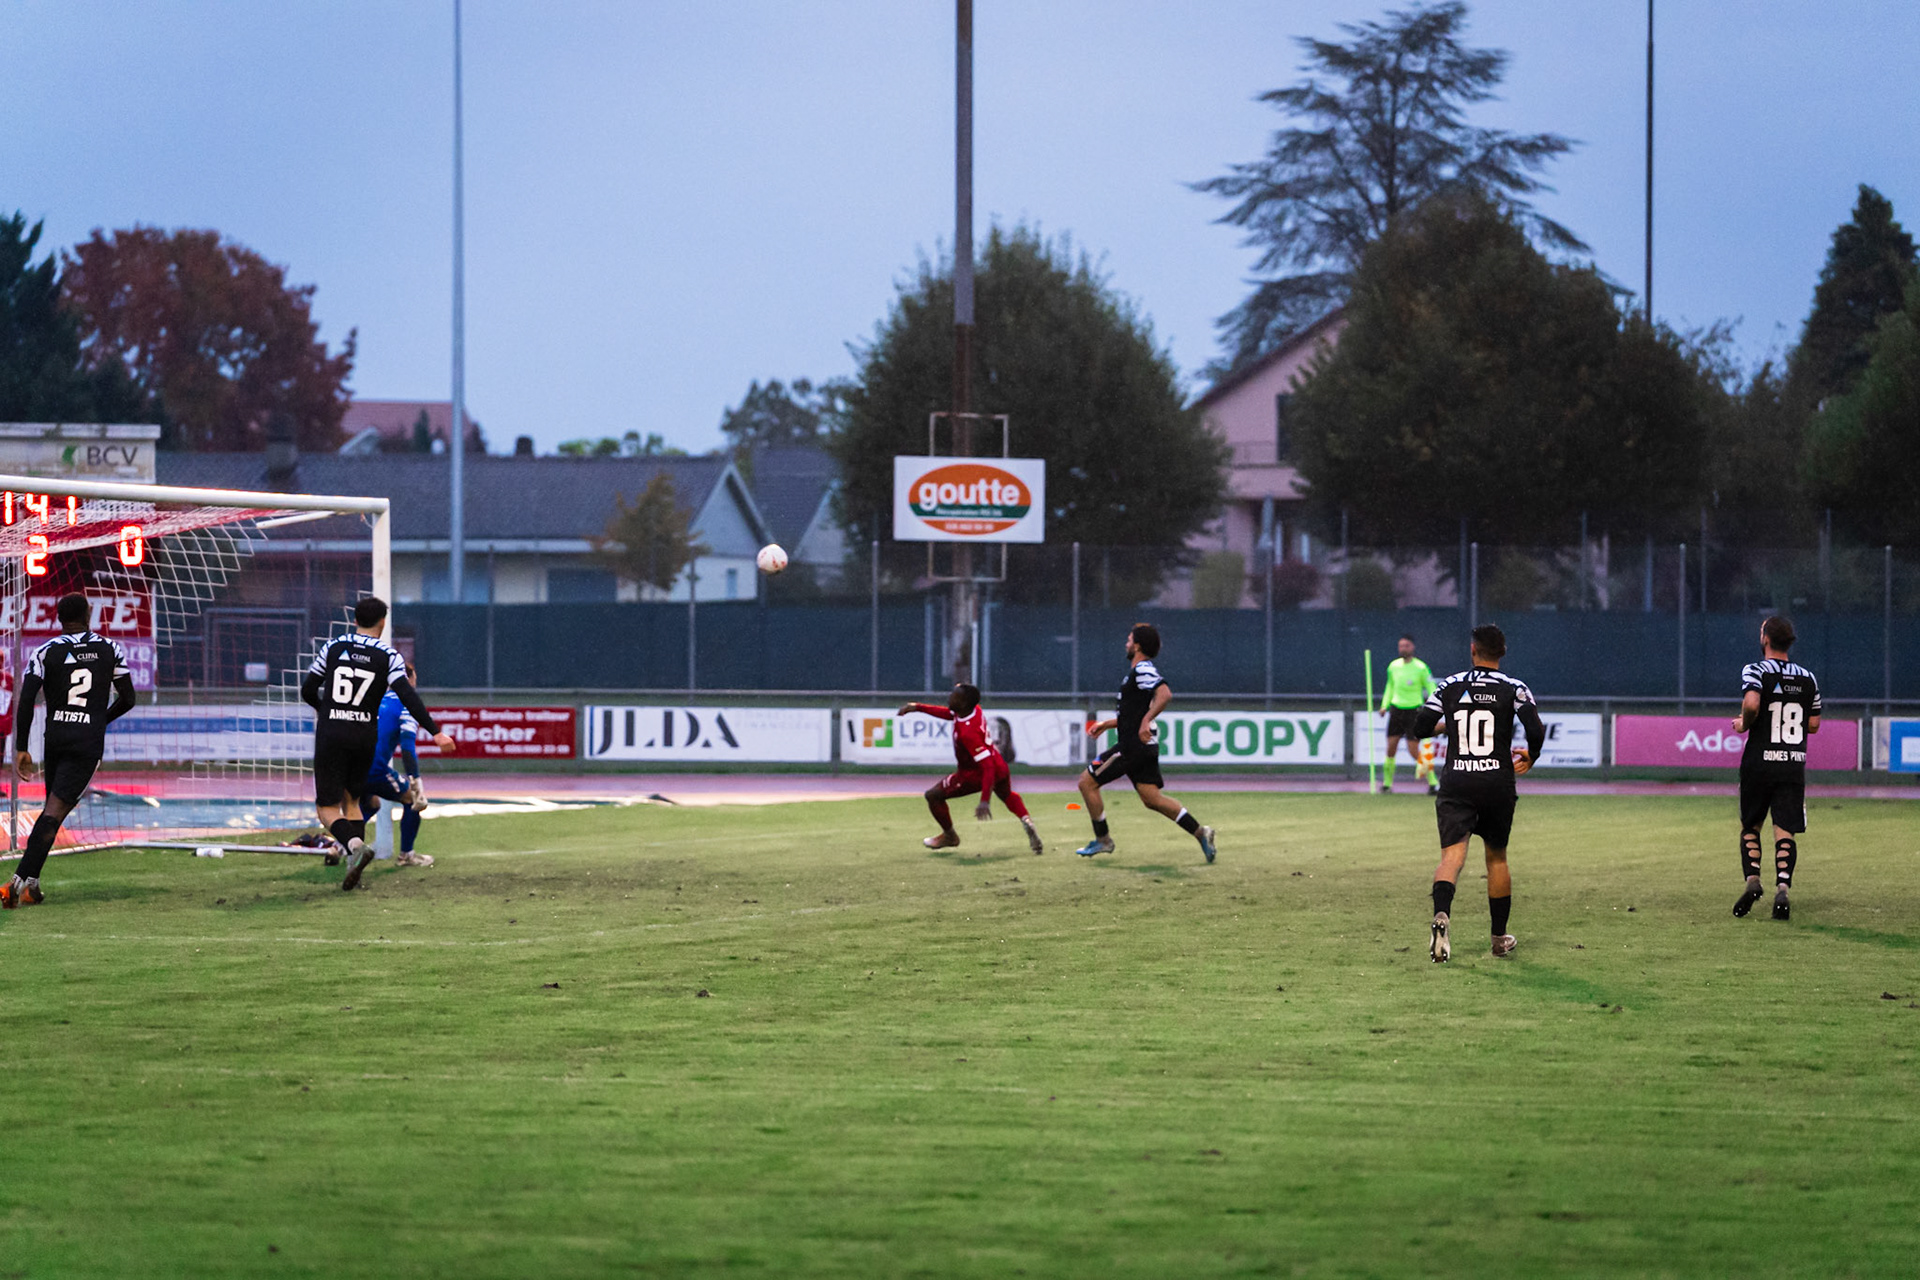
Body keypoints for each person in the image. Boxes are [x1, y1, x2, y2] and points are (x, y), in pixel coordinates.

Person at [1410, 623, 1544, 963]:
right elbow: (1534, 728)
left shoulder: (1451, 685)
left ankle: (1442, 915)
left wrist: (1450, 724)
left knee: (1451, 859)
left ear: (1473, 650)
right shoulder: (1514, 687)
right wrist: (1533, 754)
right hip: (1497, 783)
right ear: (1503, 652)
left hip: (1457, 782)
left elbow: (1420, 728)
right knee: (1496, 858)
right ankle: (1499, 939)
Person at [302, 598, 451, 891]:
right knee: (354, 802)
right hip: (363, 736)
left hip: (333, 733)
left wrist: (325, 711)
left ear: (355, 620)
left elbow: (308, 689)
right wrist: (435, 732)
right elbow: (407, 695)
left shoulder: (333, 646)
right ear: (383, 622)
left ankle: (355, 846)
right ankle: (354, 869)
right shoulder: (389, 656)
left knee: (327, 809)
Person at [3, 593, 137, 909]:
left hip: (56, 740)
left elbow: (25, 701)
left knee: (53, 812)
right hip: (86, 744)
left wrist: (21, 747)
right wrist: (99, 719)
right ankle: (16, 882)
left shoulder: (44, 651)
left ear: (60, 618)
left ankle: (32, 885)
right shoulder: (110, 649)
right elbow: (128, 698)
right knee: (53, 814)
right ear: (88, 613)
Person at [1075, 622, 1217, 863]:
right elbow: (1133, 714)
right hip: (1143, 747)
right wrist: (1107, 725)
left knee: (1086, 783)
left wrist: (1146, 721)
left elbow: (1165, 694)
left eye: (1129, 639)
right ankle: (1201, 832)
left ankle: (1103, 840)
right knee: (1152, 799)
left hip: (1133, 747)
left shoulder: (1142, 669)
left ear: (1137, 646)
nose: (1126, 643)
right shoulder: (1138, 673)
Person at [1731, 616, 1820, 922]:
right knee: (1785, 830)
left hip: (1759, 762)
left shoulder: (1755, 670)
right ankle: (1783, 887)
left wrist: (1744, 723)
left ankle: (1753, 881)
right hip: (1792, 764)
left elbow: (1753, 705)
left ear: (1765, 639)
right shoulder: (1808, 678)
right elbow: (1813, 724)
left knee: (1751, 826)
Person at [898, 684, 1043, 854]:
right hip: (1000, 765)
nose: (950, 696)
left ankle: (950, 836)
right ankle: (1026, 819)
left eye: (955, 695)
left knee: (933, 796)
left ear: (964, 703)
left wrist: (984, 800)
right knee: (1007, 795)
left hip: (975, 774)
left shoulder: (968, 733)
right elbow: (948, 714)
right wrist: (918, 708)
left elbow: (987, 766)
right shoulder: (973, 710)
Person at [358, 663, 434, 869]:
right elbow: (408, 748)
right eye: (414, 679)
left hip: (351, 764)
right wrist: (415, 781)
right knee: (412, 799)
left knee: (371, 804)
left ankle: (339, 847)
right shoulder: (407, 704)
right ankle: (407, 855)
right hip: (374, 768)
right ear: (408, 680)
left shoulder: (373, 700)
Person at [1378, 633, 1437, 793]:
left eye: (1406, 646)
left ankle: (1433, 783)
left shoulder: (1421, 668)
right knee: (1391, 747)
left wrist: (1433, 706)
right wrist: (1384, 705)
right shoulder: (1393, 666)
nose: (1403, 649)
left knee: (1413, 750)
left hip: (1414, 712)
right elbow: (1390, 687)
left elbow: (1431, 688)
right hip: (1396, 710)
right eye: (1400, 646)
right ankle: (1387, 784)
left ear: (1412, 647)